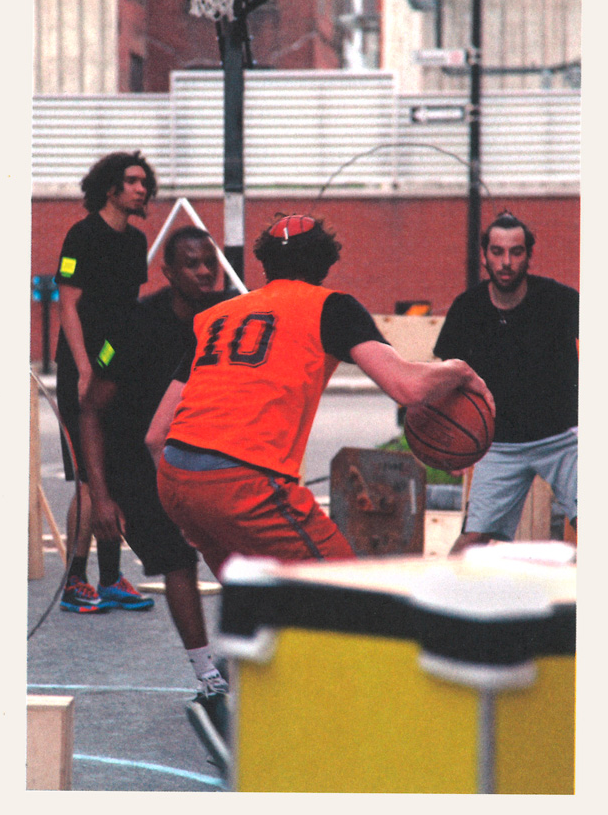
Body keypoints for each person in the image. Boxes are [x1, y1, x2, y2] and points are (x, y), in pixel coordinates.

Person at [149, 214, 494, 582]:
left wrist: (185, 507)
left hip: (175, 479)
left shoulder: (216, 317)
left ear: (265, 263)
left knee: (258, 598)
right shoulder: (331, 307)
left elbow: (156, 436)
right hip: (244, 481)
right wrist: (460, 370)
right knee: (345, 590)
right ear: (326, 263)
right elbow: (407, 387)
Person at [76, 226, 235, 702]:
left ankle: (245, 657)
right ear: (167, 272)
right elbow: (90, 410)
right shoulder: (133, 324)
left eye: (210, 262)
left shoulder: (228, 316)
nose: (204, 272)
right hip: (137, 465)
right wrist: (101, 496)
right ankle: (207, 676)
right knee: (177, 560)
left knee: (240, 557)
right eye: (192, 263)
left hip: (203, 456)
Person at [433, 212, 579, 554]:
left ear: (529, 255)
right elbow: (447, 379)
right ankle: (442, 588)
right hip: (499, 445)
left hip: (563, 439)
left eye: (516, 252)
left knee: (605, 525)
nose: (506, 262)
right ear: (484, 255)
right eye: (497, 252)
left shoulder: (560, 301)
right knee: (471, 541)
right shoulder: (467, 309)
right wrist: (452, 442)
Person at [52, 151, 158, 613]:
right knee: (87, 478)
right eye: (132, 181)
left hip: (117, 367)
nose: (141, 189)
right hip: (82, 368)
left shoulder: (136, 242)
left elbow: (128, 312)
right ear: (110, 187)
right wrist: (84, 370)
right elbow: (68, 306)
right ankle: (75, 580)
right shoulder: (82, 235)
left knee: (113, 474)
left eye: (145, 183)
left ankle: (111, 578)